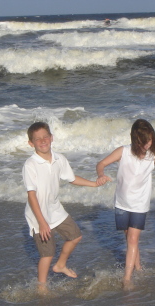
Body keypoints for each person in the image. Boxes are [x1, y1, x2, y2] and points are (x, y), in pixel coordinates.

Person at [96, 119, 155, 289]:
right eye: (144, 141)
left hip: (140, 205)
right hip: (122, 203)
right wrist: (101, 174)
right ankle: (137, 267)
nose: (148, 144)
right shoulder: (123, 152)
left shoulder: (151, 157)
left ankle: (127, 278)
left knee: (132, 239)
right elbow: (101, 164)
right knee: (129, 239)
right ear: (135, 139)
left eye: (150, 140)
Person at [22, 122, 107, 294]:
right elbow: (31, 195)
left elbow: (72, 178)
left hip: (55, 210)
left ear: (52, 138)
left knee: (75, 236)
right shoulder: (30, 165)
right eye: (37, 139)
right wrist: (42, 222)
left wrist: (94, 184)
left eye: (45, 137)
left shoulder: (59, 159)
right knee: (47, 254)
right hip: (38, 215)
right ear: (31, 143)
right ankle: (42, 287)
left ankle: (60, 265)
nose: (43, 141)